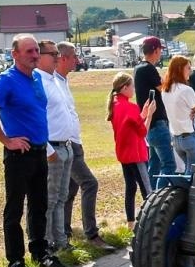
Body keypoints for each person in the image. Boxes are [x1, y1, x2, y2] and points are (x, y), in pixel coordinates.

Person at [0, 34, 59, 267]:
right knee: (14, 208)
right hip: (19, 154)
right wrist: (6, 140)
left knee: (39, 205)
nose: (35, 55)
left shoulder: (36, 78)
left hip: (38, 150)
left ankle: (40, 252)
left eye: (36, 50)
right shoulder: (6, 80)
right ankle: (15, 261)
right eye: (29, 51)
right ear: (15, 54)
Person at [56, 42, 108, 249]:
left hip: (74, 143)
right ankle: (91, 234)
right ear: (63, 58)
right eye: (74, 56)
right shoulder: (54, 82)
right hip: (67, 144)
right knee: (90, 183)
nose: (77, 60)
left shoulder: (62, 81)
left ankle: (65, 232)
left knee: (70, 189)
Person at [39, 38, 79, 255]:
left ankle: (60, 240)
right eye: (52, 54)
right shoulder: (39, 81)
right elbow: (37, 118)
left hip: (65, 145)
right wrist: (48, 149)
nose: (57, 58)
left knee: (61, 196)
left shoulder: (55, 80)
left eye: (57, 54)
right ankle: (47, 243)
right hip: (52, 146)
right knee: (50, 199)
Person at [109, 73, 155, 226]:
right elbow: (143, 132)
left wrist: (142, 114)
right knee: (146, 189)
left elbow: (131, 125)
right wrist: (149, 115)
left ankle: (130, 223)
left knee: (130, 188)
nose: (134, 89)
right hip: (136, 154)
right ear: (124, 88)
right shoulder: (131, 107)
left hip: (124, 153)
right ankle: (151, 223)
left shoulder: (115, 104)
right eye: (132, 86)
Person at [133, 36, 171, 179]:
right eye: (160, 50)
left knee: (154, 164)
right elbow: (164, 89)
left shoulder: (138, 68)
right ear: (155, 50)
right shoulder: (148, 69)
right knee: (169, 164)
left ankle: (150, 191)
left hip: (149, 123)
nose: (161, 53)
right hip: (157, 122)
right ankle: (161, 191)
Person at [161, 54, 195, 169]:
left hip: (176, 137)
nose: (190, 71)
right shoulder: (186, 90)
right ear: (180, 69)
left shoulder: (165, 90)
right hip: (190, 136)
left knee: (188, 170)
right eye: (188, 68)